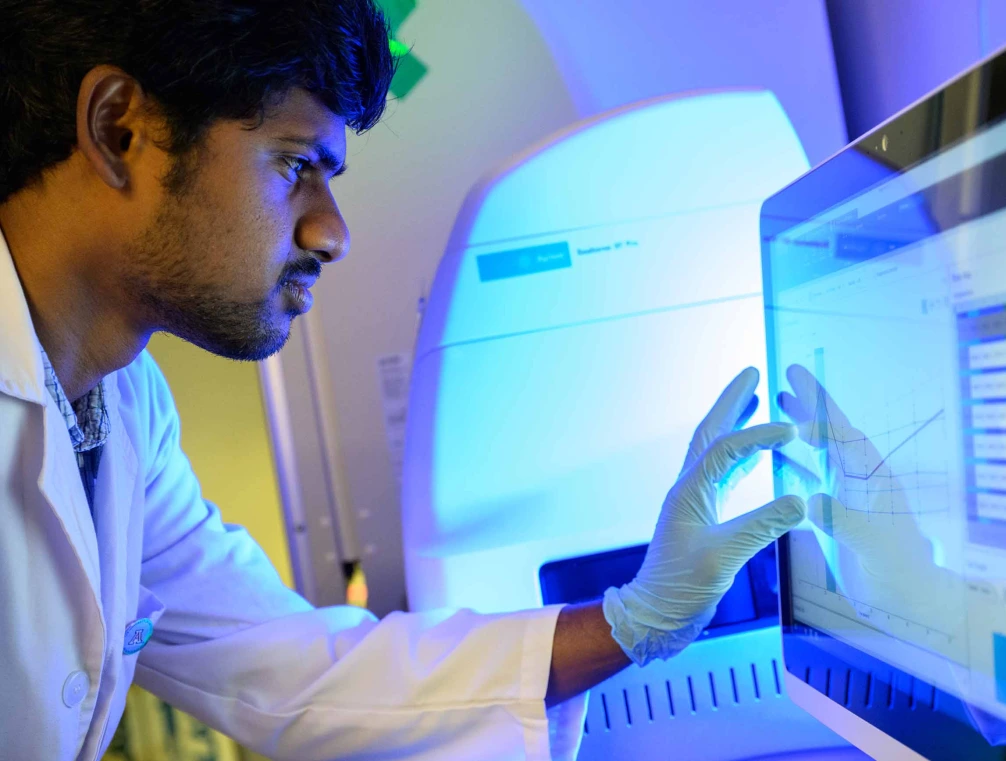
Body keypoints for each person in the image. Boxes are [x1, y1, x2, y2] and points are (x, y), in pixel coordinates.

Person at [0, 2, 807, 759]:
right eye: (293, 166)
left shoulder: (122, 403)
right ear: (119, 128)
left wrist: (634, 621)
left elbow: (288, 665)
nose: (332, 232)